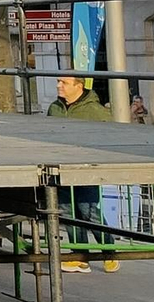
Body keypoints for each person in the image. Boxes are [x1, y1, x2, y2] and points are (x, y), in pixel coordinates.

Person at [47, 75, 118, 273]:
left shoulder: (95, 111)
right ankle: (79, 256)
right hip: (61, 168)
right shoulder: (55, 108)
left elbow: (109, 137)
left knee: (89, 211)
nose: (58, 85)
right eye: (58, 82)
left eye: (64, 83)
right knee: (68, 212)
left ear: (78, 86)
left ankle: (109, 251)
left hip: (86, 169)